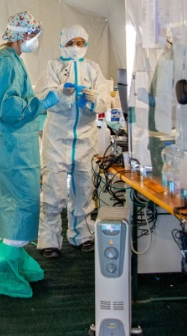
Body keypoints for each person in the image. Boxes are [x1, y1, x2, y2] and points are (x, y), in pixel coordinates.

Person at [0, 11, 59, 299]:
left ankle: (15, 259)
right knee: (21, 205)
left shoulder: (10, 61)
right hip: (13, 153)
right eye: (34, 36)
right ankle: (3, 271)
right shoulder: (6, 63)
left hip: (11, 150)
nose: (35, 41)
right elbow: (10, 109)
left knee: (12, 207)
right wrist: (42, 103)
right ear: (23, 35)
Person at [36, 25, 112, 258]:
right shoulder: (53, 66)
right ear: (63, 44)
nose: (76, 47)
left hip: (85, 140)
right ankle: (49, 240)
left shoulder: (93, 68)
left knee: (84, 189)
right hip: (57, 140)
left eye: (80, 43)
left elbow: (104, 99)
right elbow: (43, 97)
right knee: (53, 191)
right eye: (71, 43)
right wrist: (61, 94)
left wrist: (94, 99)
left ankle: (83, 235)